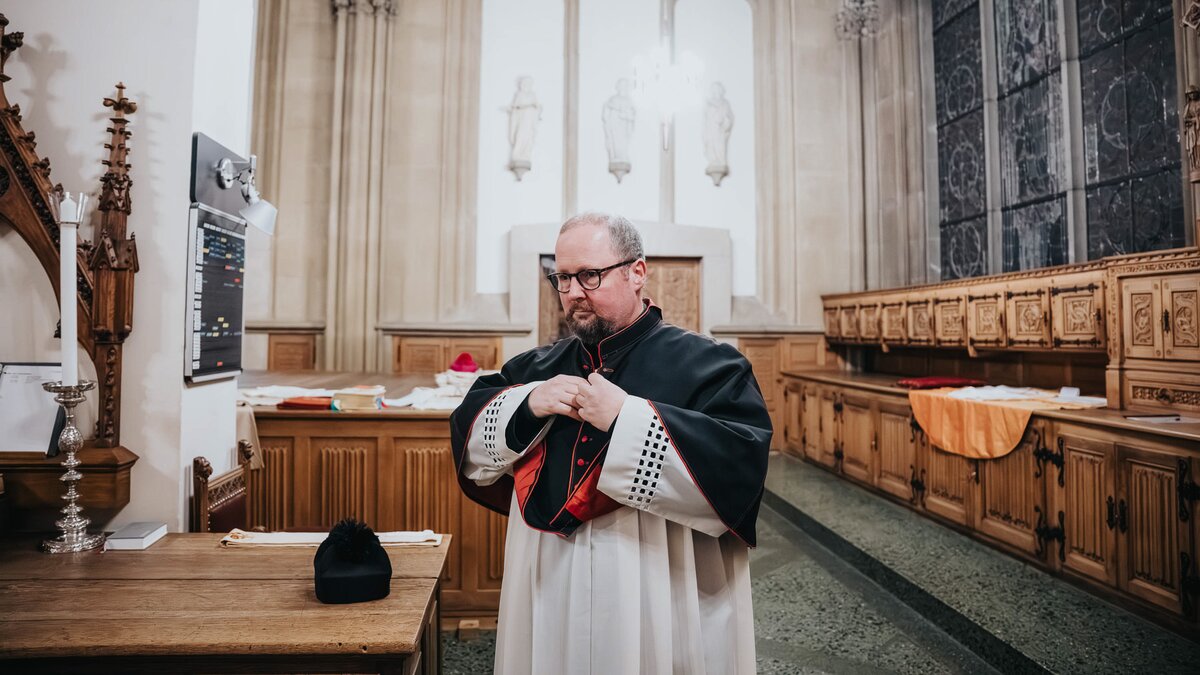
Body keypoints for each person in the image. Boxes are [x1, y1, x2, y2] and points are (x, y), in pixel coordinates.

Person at [450, 212, 771, 674]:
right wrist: (528, 404)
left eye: (590, 275)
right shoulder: (535, 369)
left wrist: (627, 417)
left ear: (637, 272)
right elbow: (470, 441)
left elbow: (741, 466)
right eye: (563, 278)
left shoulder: (713, 367)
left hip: (658, 584)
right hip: (550, 581)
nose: (573, 292)